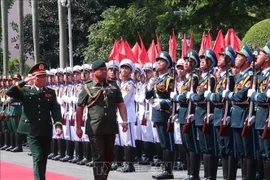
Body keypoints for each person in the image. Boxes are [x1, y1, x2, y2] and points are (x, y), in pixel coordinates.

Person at [6, 62, 63, 180]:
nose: (42, 79)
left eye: (44, 76)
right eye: (39, 76)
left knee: (44, 157)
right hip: (31, 129)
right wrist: (24, 81)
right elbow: (10, 92)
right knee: (38, 156)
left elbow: (55, 110)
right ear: (33, 77)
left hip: (45, 129)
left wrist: (58, 125)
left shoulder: (50, 92)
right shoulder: (25, 90)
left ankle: (41, 177)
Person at [76, 60, 128, 180]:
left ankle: (103, 177)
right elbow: (80, 108)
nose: (104, 72)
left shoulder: (113, 86)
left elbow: (121, 104)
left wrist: (124, 121)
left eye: (105, 69)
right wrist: (78, 127)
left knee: (109, 156)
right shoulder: (87, 87)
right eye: (101, 70)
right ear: (94, 72)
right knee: (99, 156)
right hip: (95, 127)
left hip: (110, 126)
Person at [146, 51, 175, 179]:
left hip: (165, 114)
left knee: (168, 143)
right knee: (163, 143)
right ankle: (164, 169)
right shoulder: (156, 80)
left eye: (161, 61)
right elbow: (148, 97)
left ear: (167, 64)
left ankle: (168, 171)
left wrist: (162, 103)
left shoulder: (169, 80)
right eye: (157, 60)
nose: (158, 63)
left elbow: (173, 100)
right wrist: (148, 88)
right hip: (157, 114)